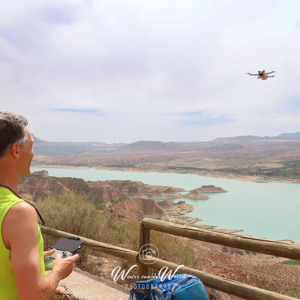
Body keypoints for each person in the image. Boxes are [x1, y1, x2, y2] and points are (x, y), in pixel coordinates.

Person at [0, 111, 79, 299]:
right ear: (16, 150)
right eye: (31, 146)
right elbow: (34, 295)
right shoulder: (18, 212)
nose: (34, 153)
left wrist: (29, 260)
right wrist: (59, 270)